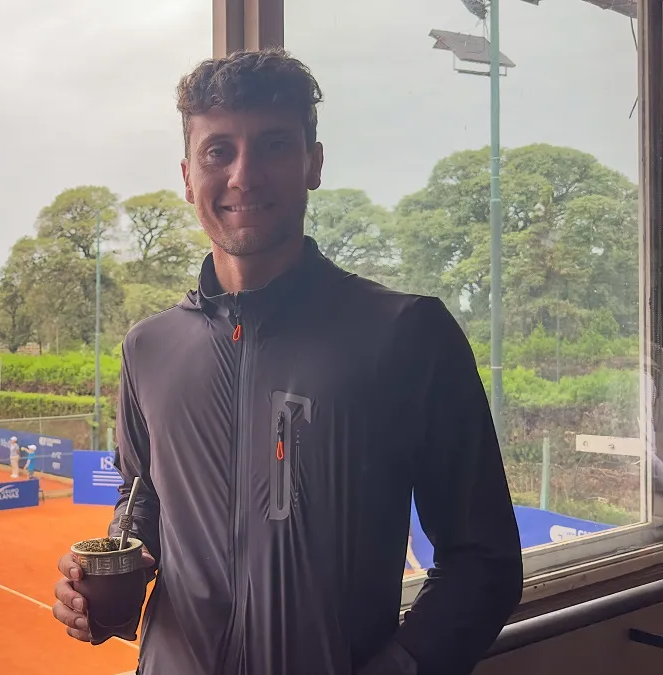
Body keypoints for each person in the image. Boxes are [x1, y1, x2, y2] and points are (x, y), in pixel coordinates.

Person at [51, 49, 523, 675]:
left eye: (273, 145)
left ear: (313, 164)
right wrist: (106, 579)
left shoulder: (409, 333)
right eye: (219, 151)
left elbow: (483, 559)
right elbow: (143, 504)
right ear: (189, 175)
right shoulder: (148, 349)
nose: (244, 175)